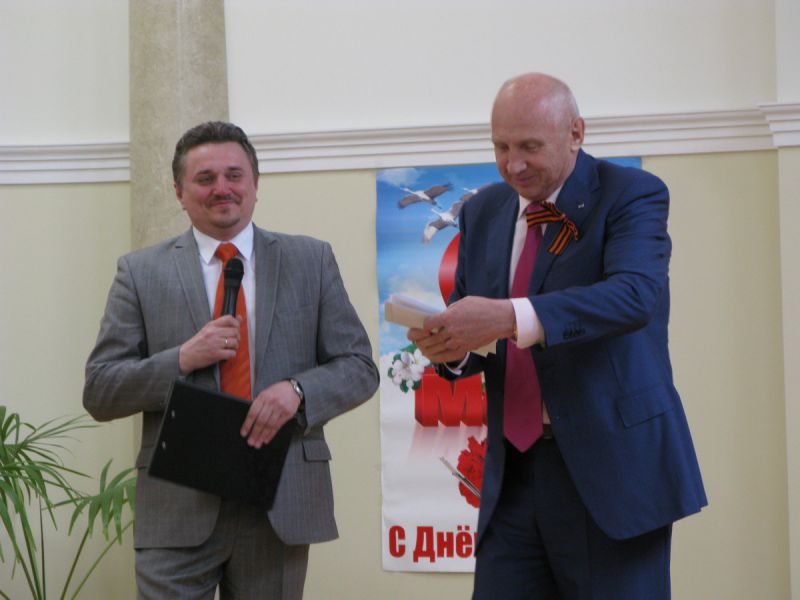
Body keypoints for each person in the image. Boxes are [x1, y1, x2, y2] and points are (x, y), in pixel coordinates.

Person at [408, 73, 706, 599]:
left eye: (529, 147)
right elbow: (477, 319)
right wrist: (451, 350)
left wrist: (507, 317)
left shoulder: (632, 194)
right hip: (512, 479)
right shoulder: (483, 210)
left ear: (575, 133)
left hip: (613, 477)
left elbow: (634, 296)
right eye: (501, 147)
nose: (513, 165)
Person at [84, 121, 379, 599]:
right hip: (178, 503)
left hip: (278, 497)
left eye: (234, 175)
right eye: (205, 178)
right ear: (179, 192)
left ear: (255, 184)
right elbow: (101, 390)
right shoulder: (139, 273)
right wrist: (183, 357)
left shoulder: (311, 260)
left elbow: (359, 367)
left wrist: (298, 392)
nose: (222, 188)